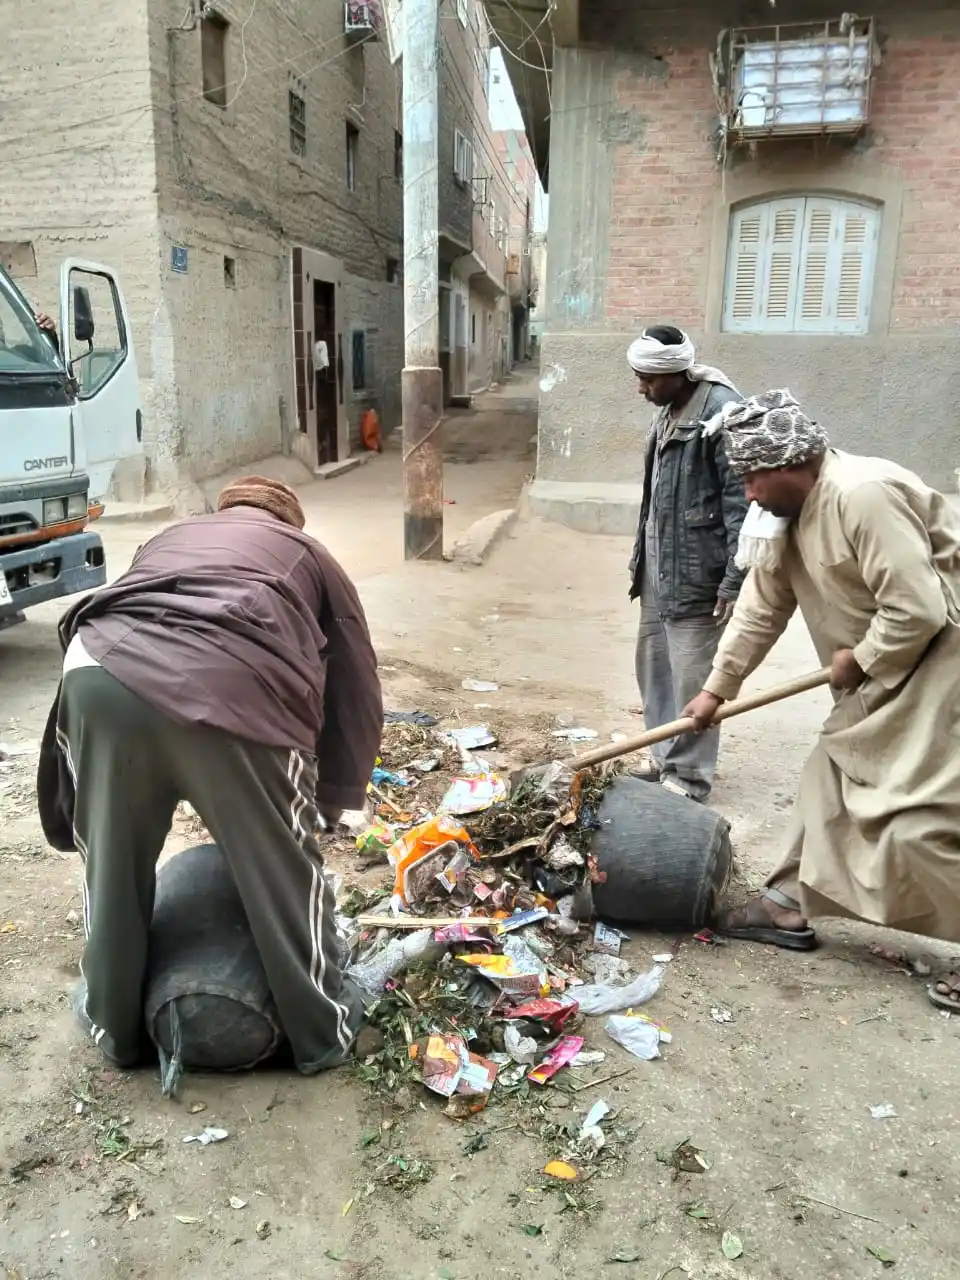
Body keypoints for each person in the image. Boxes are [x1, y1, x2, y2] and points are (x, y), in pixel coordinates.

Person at [37, 476, 383, 1070]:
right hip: (233, 680)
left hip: (98, 672)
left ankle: (114, 1028)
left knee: (112, 866)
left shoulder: (172, 536)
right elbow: (355, 685)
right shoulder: (307, 554)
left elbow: (121, 612)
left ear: (223, 510)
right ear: (290, 523)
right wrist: (329, 799)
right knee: (284, 871)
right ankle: (323, 1032)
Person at [682, 390, 960, 1010]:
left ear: (794, 462)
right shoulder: (782, 519)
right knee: (829, 777)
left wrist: (858, 659)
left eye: (755, 477)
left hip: (940, 667)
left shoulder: (862, 494)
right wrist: (714, 690)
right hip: (880, 671)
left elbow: (919, 607)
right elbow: (761, 609)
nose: (749, 493)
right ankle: (785, 905)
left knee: (920, 818)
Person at [626, 325, 748, 802]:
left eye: (647, 380)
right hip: (658, 568)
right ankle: (662, 755)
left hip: (700, 572)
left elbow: (743, 502)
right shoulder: (671, 407)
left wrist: (735, 579)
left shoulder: (721, 412)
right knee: (655, 666)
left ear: (676, 373)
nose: (641, 388)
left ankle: (691, 776)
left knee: (694, 675)